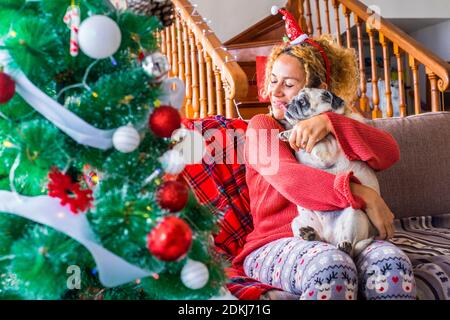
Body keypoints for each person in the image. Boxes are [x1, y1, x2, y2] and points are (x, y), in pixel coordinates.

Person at [232, 7, 416, 300]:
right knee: (332, 267)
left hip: (346, 234)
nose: (275, 92)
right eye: (273, 80)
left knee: (392, 264)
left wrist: (332, 122)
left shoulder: (340, 125)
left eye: (289, 84)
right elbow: (292, 180)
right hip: (276, 242)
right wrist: (363, 195)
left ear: (318, 90)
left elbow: (388, 153)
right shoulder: (262, 126)